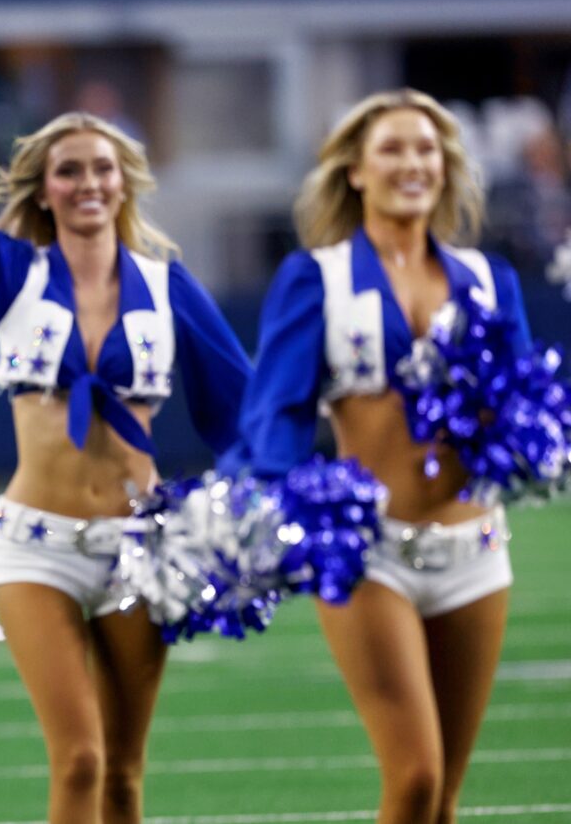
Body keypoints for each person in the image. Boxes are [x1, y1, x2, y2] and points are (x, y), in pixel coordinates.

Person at [0, 79, 251, 823]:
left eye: (102, 168)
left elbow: (241, 415)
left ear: (125, 180)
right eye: (68, 170)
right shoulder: (15, 276)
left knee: (125, 776)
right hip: (39, 547)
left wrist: (234, 511)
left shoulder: (171, 289)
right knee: (79, 759)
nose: (88, 183)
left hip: (145, 549)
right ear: (42, 188)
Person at [240, 90, 524, 824]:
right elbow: (277, 409)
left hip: (476, 549)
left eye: (426, 149)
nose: (413, 163)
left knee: (445, 797)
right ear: (356, 171)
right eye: (393, 149)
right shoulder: (318, 276)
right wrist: (274, 496)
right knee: (416, 777)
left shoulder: (489, 280)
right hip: (369, 554)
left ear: (447, 167)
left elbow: (524, 411)